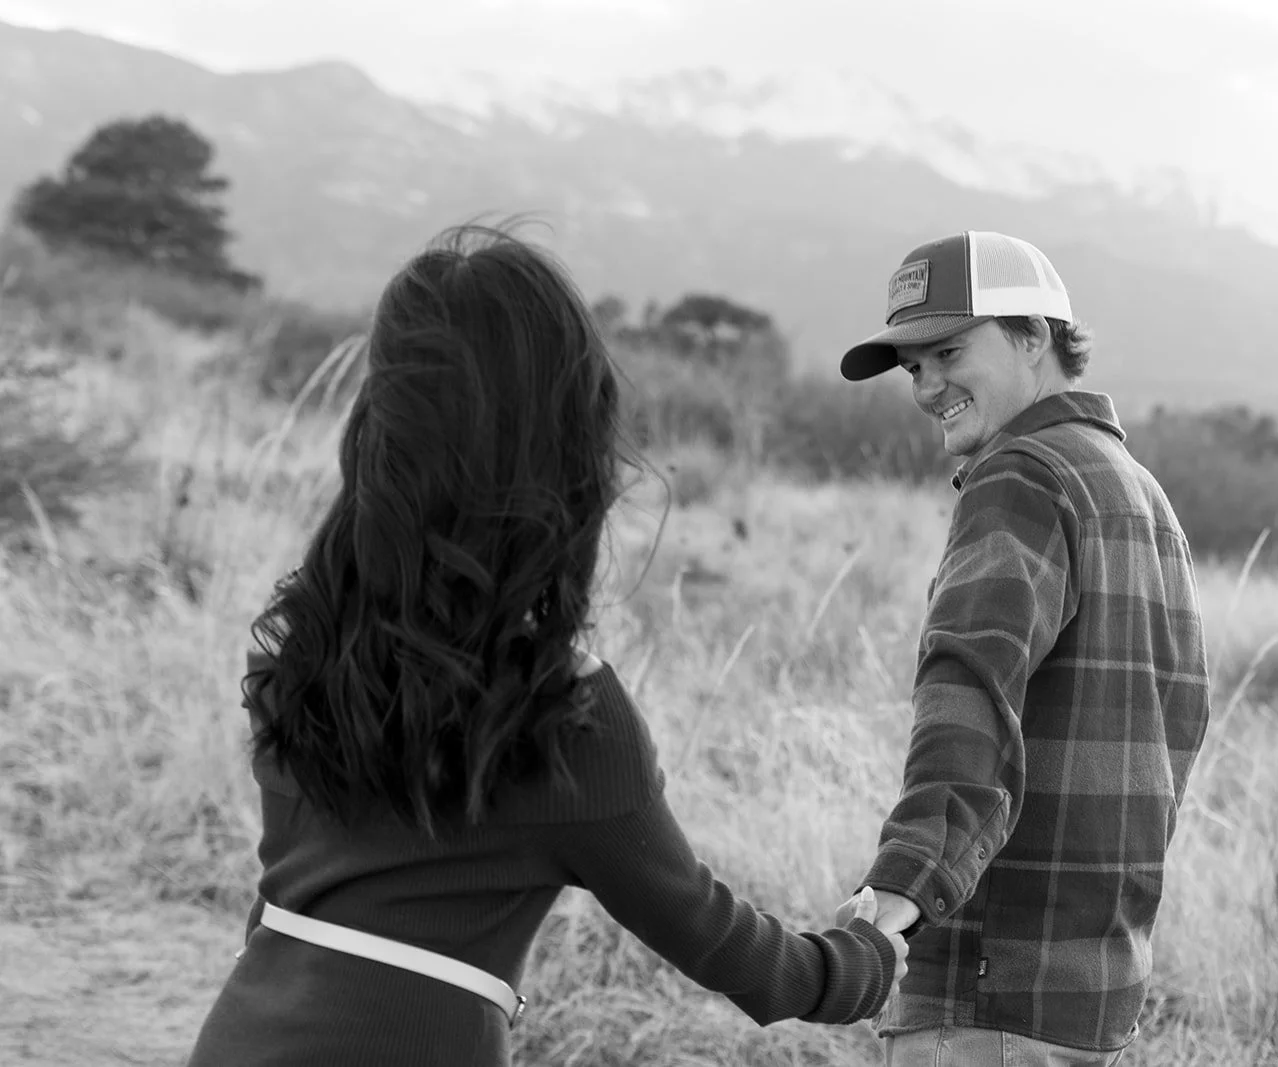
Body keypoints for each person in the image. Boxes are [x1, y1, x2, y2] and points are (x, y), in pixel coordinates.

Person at [184, 223, 907, 1067]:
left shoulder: (298, 642)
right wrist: (872, 958)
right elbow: (735, 954)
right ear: (565, 454)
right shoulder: (566, 715)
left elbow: (286, 894)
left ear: (378, 429)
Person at [831, 231, 1210, 1066]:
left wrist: (901, 888)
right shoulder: (1143, 498)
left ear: (1034, 335)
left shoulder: (1022, 477)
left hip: (983, 995)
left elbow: (971, 692)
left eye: (949, 350)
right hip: (1088, 999)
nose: (927, 384)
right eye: (913, 364)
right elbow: (1175, 740)